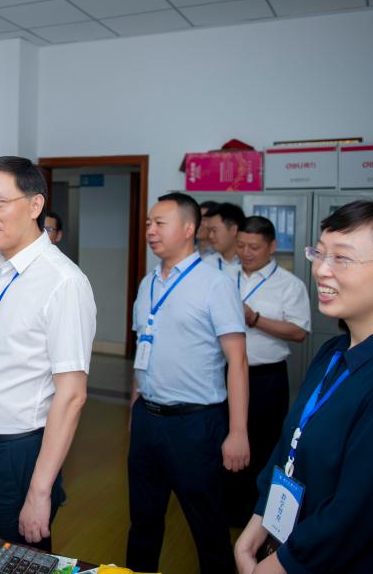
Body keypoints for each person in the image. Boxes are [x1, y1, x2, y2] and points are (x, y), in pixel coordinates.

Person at [235, 201, 373, 574]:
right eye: (319, 253)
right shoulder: (334, 352)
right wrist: (257, 525)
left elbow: (358, 508)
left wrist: (279, 565)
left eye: (343, 258)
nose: (321, 269)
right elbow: (290, 448)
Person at [0, 156, 96, 550]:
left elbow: (72, 395)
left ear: (35, 205)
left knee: (10, 560)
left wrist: (39, 491)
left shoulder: (64, 283)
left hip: (12, 455)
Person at [127, 192, 248, 574]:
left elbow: (238, 360)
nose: (150, 230)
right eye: (148, 223)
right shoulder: (147, 284)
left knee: (207, 527)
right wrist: (134, 408)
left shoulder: (215, 284)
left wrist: (238, 432)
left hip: (195, 424)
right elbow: (144, 350)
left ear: (188, 229)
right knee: (142, 521)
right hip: (147, 418)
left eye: (160, 223)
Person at [224, 216, 310, 528]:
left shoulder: (289, 284)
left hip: (266, 379)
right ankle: (228, 511)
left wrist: (255, 319)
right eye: (241, 245)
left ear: (272, 246)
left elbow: (299, 332)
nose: (246, 253)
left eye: (254, 247)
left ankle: (257, 517)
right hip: (224, 374)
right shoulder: (223, 277)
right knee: (224, 439)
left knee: (263, 446)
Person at [205, 202, 245, 273]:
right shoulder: (207, 263)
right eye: (209, 231)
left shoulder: (250, 261)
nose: (210, 236)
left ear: (233, 230)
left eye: (214, 230)